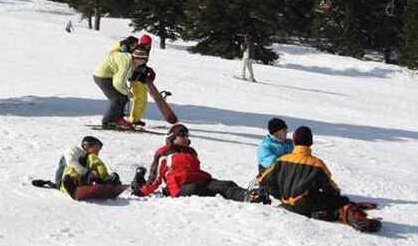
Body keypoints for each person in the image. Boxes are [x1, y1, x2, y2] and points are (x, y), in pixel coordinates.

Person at [257, 126, 381, 232]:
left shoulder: (282, 160)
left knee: (312, 198)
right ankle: (354, 216)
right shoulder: (316, 164)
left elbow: (262, 179)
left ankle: (319, 213)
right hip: (304, 203)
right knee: (341, 200)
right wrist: (337, 197)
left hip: (286, 203)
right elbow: (331, 189)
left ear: (294, 142)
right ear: (310, 142)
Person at [132, 124, 267, 203]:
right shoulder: (164, 153)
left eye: (187, 134)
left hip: (201, 180)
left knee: (226, 185)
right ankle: (138, 180)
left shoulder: (191, 152)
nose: (186, 137)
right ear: (173, 137)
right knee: (195, 190)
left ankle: (248, 196)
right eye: (182, 134)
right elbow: (155, 178)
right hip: (182, 186)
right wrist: (142, 192)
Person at [93, 47, 147, 129]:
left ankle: (118, 118)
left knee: (123, 96)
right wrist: (128, 92)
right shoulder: (126, 63)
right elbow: (118, 83)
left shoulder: (130, 61)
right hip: (102, 76)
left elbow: (122, 79)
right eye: (141, 61)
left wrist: (126, 92)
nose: (141, 64)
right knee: (116, 98)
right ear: (136, 58)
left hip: (110, 75)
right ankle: (108, 122)